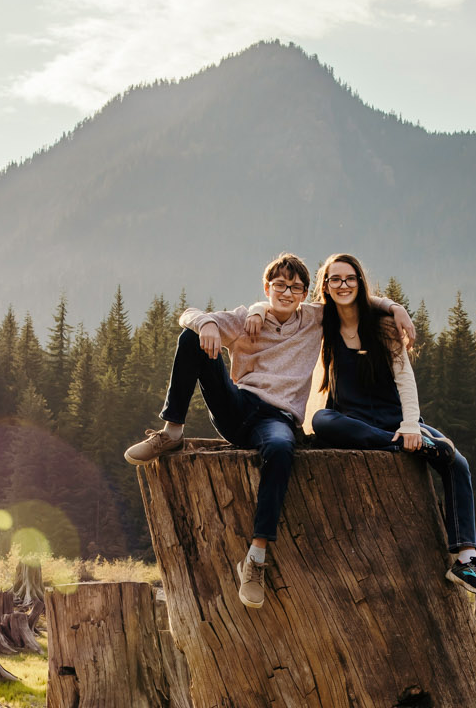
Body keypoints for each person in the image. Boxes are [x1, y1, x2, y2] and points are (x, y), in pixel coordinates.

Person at [123, 254, 414, 609]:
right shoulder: (248, 318)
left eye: (295, 287)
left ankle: (256, 558)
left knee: (280, 450)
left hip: (276, 420)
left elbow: (351, 298)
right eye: (280, 286)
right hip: (238, 406)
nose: (287, 293)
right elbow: (187, 315)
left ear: (307, 293)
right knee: (191, 337)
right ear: (267, 287)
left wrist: (394, 307)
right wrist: (208, 324)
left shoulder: (315, 319)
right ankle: (172, 431)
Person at [309, 251, 476, 594]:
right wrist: (256, 313)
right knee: (321, 419)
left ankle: (466, 562)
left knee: (457, 463)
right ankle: (400, 445)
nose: (342, 284)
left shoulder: (382, 327)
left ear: (360, 282)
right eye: (334, 279)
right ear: (325, 286)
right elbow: (280, 310)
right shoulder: (321, 321)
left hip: (395, 419)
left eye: (350, 278)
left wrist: (410, 425)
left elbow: (404, 380)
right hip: (353, 420)